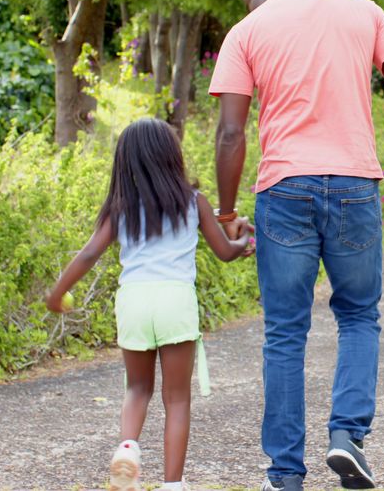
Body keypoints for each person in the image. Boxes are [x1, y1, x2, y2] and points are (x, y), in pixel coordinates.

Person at [208, 0, 384, 491]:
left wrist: (225, 216)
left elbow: (230, 133)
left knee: (285, 333)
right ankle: (347, 437)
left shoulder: (246, 31)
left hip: (284, 188)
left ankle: (285, 475)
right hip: (355, 185)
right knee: (358, 316)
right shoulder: (363, 10)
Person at [45, 118, 251, 491]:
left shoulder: (120, 208)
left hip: (135, 301)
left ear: (126, 162)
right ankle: (173, 484)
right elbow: (225, 251)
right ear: (172, 156)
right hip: (175, 300)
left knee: (137, 388)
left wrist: (57, 292)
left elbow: (91, 252)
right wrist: (244, 241)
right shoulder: (194, 202)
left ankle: (127, 450)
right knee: (177, 399)